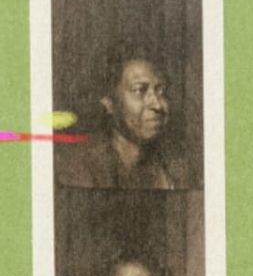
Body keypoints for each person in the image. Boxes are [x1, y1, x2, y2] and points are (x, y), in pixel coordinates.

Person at [56, 41, 191, 190]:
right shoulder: (79, 166)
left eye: (161, 91)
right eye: (140, 90)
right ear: (109, 103)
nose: (158, 105)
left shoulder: (176, 168)